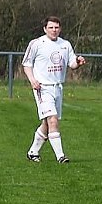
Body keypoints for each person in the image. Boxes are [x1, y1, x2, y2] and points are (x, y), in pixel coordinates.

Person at [23, 16, 86, 163]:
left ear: (60, 29)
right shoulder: (37, 44)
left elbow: (72, 64)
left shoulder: (65, 44)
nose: (54, 30)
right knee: (52, 120)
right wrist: (33, 80)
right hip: (42, 87)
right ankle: (61, 156)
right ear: (45, 29)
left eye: (56, 27)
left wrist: (78, 62)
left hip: (58, 87)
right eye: (51, 27)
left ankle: (33, 152)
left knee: (47, 123)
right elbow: (26, 64)